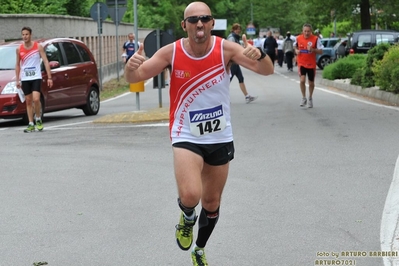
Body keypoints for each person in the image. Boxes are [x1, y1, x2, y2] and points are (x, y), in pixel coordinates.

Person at [124, 2, 274, 265]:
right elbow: (136, 75)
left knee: (212, 202)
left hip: (219, 136)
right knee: (191, 195)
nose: (199, 24)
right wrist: (129, 66)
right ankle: (187, 217)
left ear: (212, 23)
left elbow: (267, 70)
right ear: (185, 26)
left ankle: (200, 249)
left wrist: (259, 54)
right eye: (193, 20)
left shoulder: (225, 49)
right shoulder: (171, 52)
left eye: (204, 18)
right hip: (186, 133)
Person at [15, 26, 53, 133]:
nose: (25, 36)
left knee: (36, 99)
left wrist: (49, 77)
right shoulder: (19, 49)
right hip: (25, 78)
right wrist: (17, 80)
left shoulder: (38, 46)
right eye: (23, 34)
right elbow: (17, 65)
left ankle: (38, 119)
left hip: (36, 76)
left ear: (30, 35)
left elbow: (45, 61)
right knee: (28, 101)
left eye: (27, 34)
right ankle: (31, 123)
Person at [227, 23, 258, 103]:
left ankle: (247, 96)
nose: (239, 30)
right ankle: (222, 98)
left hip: (236, 63)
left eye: (239, 29)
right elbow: (231, 49)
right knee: (227, 81)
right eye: (237, 29)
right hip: (232, 63)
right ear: (233, 29)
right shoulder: (231, 38)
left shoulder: (235, 37)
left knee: (241, 79)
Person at [294, 23, 323, 108]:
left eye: (308, 31)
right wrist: (296, 51)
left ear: (311, 31)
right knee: (302, 80)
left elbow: (321, 51)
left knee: (311, 83)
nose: (306, 33)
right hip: (301, 63)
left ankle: (310, 97)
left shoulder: (315, 39)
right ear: (302, 31)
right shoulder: (298, 38)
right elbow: (295, 47)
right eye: (305, 31)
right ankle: (303, 97)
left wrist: (313, 50)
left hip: (311, 64)